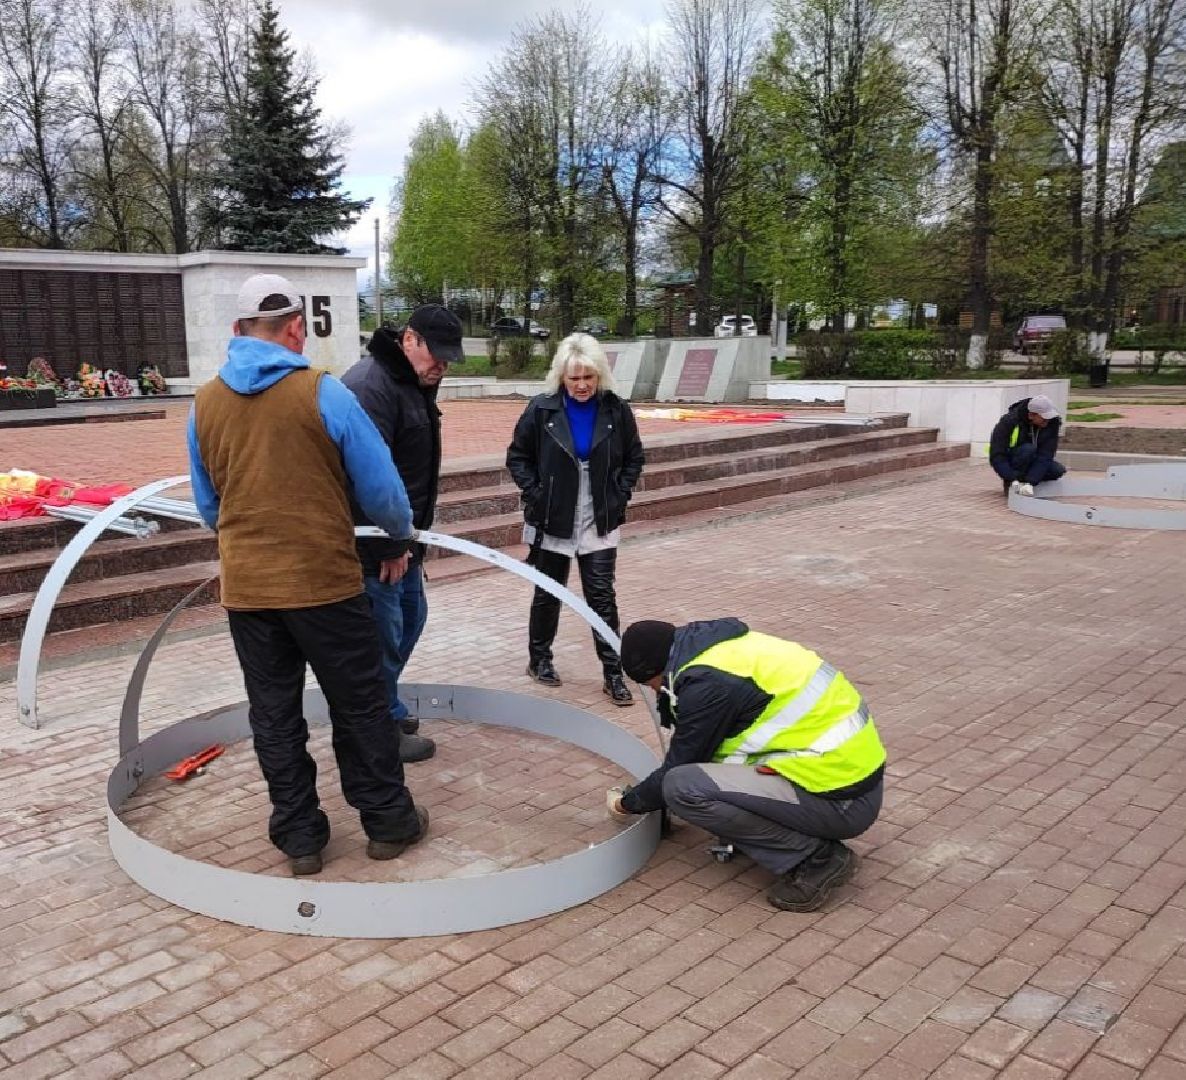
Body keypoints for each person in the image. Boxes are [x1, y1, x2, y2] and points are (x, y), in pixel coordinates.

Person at [186, 273, 428, 877]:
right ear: (296, 327)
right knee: (360, 706)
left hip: (248, 589)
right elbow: (383, 491)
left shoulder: (205, 403)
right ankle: (388, 824)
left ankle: (300, 839)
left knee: (274, 716)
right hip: (323, 583)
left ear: (238, 331)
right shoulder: (320, 391)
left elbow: (208, 505)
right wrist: (398, 534)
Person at [608, 618, 886, 912]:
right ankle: (776, 833)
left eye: (649, 685)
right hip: (847, 776)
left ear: (654, 671)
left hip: (841, 800)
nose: (654, 692)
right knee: (706, 774)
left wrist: (626, 804)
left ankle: (817, 858)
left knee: (682, 787)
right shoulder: (719, 650)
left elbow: (682, 763)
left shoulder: (708, 685)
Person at [341, 305, 463, 762]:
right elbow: (363, 478)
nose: (442, 367)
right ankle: (377, 729)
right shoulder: (371, 386)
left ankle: (384, 707)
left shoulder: (411, 382)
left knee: (408, 622)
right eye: (437, 356)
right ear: (409, 339)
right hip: (377, 547)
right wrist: (389, 546)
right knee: (382, 637)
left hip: (404, 540)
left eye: (449, 359)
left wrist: (408, 541)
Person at [506, 333, 645, 706]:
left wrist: (621, 492)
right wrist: (535, 493)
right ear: (561, 377)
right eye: (574, 378)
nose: (582, 385)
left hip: (598, 515)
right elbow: (518, 456)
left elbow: (634, 456)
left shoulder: (616, 410)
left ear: (599, 375)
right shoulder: (542, 409)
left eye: (588, 377)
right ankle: (539, 659)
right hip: (552, 514)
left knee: (602, 596)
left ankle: (613, 673)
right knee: (549, 591)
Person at [989, 394, 1066, 496]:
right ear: (1031, 415)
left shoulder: (1052, 423)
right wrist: (1010, 477)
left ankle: (1026, 483)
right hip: (1014, 459)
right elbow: (997, 455)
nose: (1047, 421)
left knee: (1057, 470)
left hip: (1033, 458)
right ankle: (1012, 483)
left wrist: (1031, 481)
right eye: (1044, 418)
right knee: (1028, 449)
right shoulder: (1009, 422)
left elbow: (1046, 455)